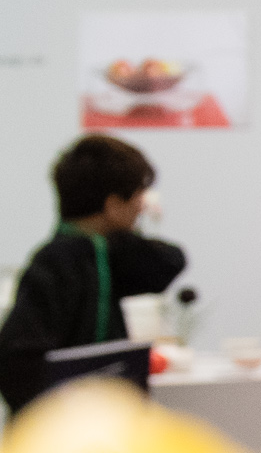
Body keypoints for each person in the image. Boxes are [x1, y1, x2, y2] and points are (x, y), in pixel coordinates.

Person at [1, 136, 186, 415]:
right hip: (64, 430)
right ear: (113, 205)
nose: (141, 207)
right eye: (137, 197)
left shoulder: (107, 254)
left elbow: (168, 262)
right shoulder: (57, 261)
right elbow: (16, 360)